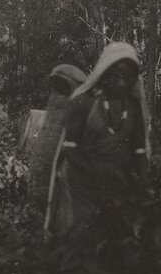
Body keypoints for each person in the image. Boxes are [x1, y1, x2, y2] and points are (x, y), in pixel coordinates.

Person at [53, 42, 150, 236]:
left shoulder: (132, 108)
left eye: (129, 77)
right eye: (118, 75)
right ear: (104, 75)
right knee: (84, 233)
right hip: (82, 181)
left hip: (117, 181)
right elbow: (70, 149)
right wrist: (98, 173)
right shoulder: (83, 103)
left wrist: (143, 177)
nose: (123, 82)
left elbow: (139, 150)